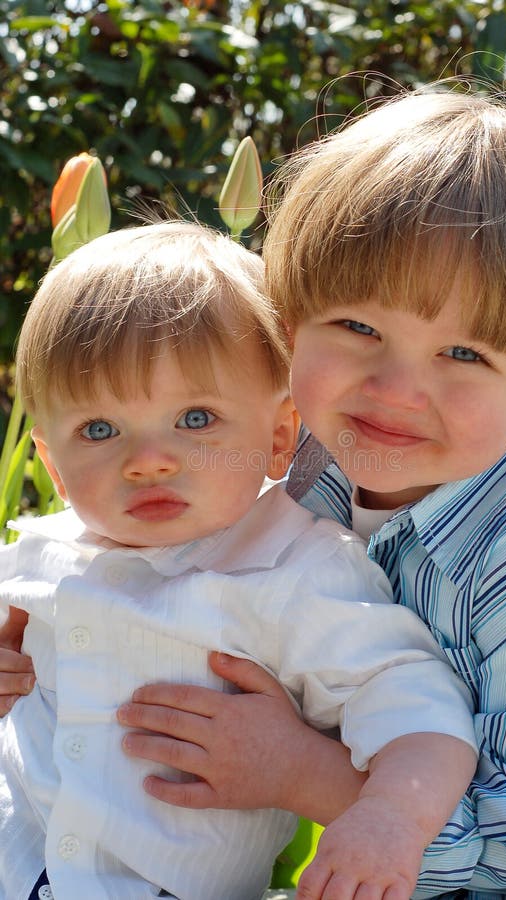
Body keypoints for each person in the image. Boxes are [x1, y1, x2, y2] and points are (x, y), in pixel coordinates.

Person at [107, 88, 506, 900]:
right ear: (293, 317)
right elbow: (160, 552)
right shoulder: (304, 450)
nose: (394, 390)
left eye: (465, 354)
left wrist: (304, 773)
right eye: (359, 330)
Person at [0, 220, 478, 900]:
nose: (149, 460)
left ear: (280, 434)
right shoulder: (37, 555)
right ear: (50, 459)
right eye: (99, 430)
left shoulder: (296, 570)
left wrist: (389, 816)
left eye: (195, 418)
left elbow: (418, 709)